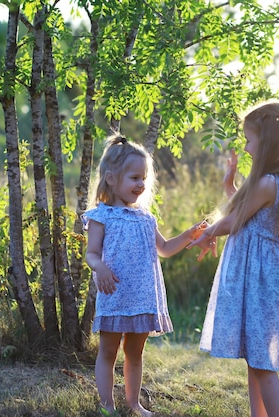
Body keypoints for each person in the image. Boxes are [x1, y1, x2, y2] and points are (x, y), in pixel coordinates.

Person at [188, 100, 279, 417]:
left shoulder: (270, 183)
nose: (245, 148)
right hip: (260, 279)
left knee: (262, 362)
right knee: (255, 359)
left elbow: (235, 220)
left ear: (267, 142)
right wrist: (229, 185)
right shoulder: (270, 183)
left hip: (263, 282)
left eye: (249, 139)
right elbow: (246, 213)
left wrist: (208, 233)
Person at [83, 135, 206, 417]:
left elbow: (164, 249)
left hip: (142, 297)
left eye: (144, 178)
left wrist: (189, 235)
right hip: (115, 294)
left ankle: (134, 403)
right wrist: (99, 267)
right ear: (112, 179)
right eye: (134, 177)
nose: (141, 184)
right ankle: (107, 405)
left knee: (135, 353)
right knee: (108, 352)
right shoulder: (101, 216)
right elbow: (91, 253)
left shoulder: (146, 218)